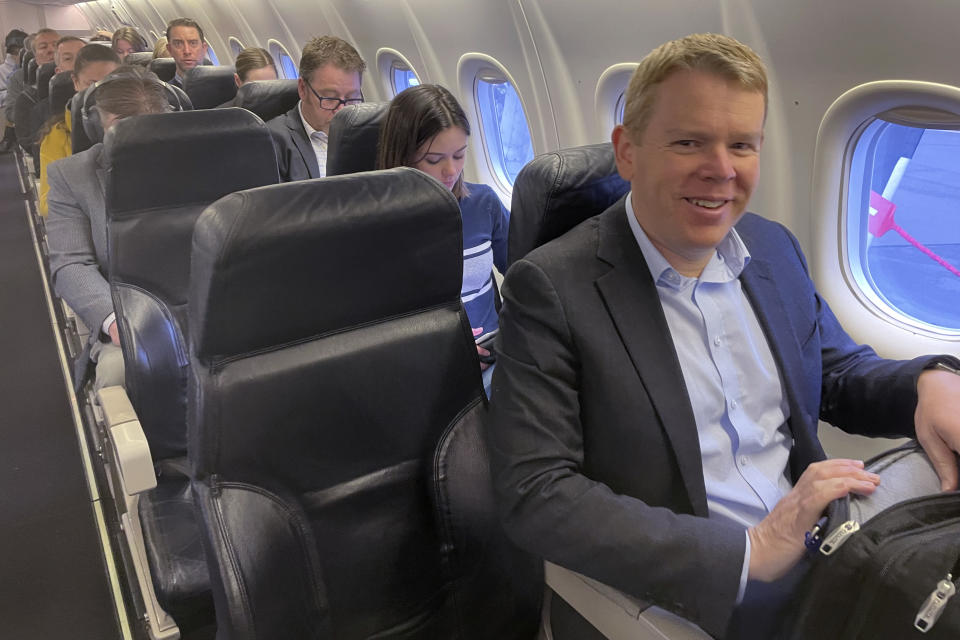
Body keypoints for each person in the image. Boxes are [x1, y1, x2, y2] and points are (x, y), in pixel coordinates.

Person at [487, 33, 960, 640]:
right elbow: (536, 493)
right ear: (627, 152)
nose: (722, 169)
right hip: (705, 586)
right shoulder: (551, 289)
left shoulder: (771, 249)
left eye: (742, 144)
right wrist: (750, 550)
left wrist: (929, 383)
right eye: (689, 142)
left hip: (826, 545)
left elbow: (836, 374)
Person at [377, 84, 508, 394]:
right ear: (403, 156)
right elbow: (379, 327)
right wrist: (439, 353)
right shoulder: (376, 225)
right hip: (424, 371)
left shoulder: (483, 204)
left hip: (494, 361)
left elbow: (528, 275)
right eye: (434, 160)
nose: (451, 170)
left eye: (459, 155)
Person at [46, 67, 172, 390]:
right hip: (126, 315)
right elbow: (71, 264)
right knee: (120, 370)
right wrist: (116, 322)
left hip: (199, 310)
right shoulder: (72, 177)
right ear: (96, 126)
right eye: (121, 129)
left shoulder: (203, 162)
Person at [266, 35, 364, 181]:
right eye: (330, 98)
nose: (342, 110)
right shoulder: (272, 141)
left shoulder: (366, 135)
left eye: (351, 98)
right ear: (303, 89)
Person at [37, 46, 120, 215]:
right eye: (93, 84)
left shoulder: (136, 126)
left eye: (111, 84)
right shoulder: (58, 135)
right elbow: (48, 204)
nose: (103, 95)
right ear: (75, 82)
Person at [164, 18, 206, 88]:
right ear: (169, 49)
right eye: (178, 44)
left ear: (204, 48)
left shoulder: (224, 92)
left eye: (193, 43)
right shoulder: (163, 94)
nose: (187, 51)